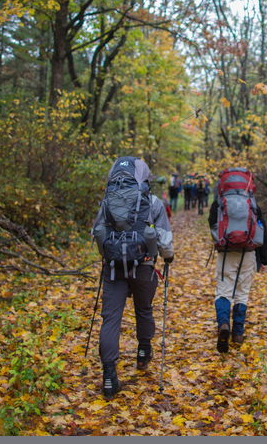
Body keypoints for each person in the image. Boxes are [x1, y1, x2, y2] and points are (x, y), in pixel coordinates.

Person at [91, 159, 174, 398]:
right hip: (144, 266)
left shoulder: (108, 200)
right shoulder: (153, 202)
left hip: (113, 268)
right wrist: (168, 258)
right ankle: (143, 352)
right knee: (144, 309)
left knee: (110, 319)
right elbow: (164, 240)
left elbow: (97, 230)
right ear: (144, 177)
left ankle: (109, 377)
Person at [207, 175, 267, 352]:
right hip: (249, 253)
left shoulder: (220, 202)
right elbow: (262, 229)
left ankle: (224, 324)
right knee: (242, 293)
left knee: (223, 290)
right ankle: (238, 334)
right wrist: (263, 259)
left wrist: (220, 241)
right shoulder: (252, 202)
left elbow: (212, 222)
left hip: (226, 252)